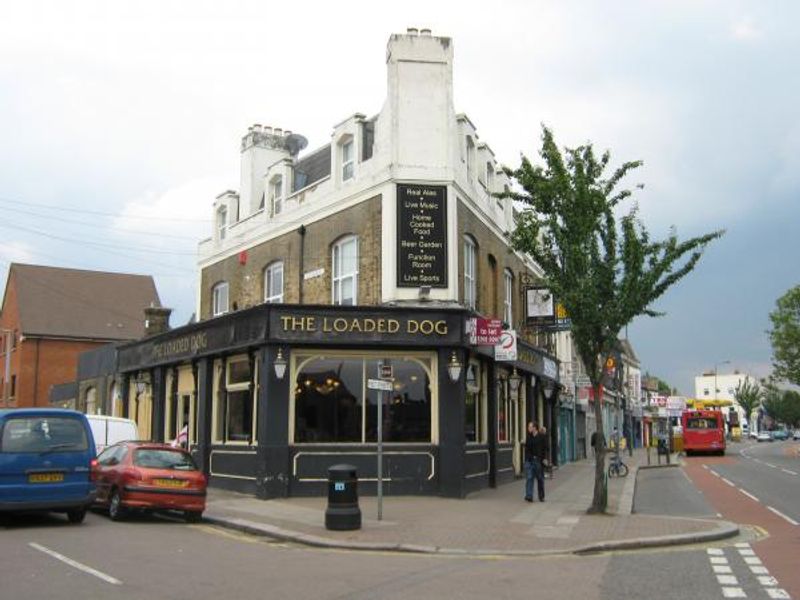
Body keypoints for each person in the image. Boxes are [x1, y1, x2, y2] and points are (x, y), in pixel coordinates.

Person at [524, 421, 547, 502]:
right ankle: (529, 496)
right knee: (529, 478)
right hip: (529, 460)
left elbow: (545, 448)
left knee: (540, 478)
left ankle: (541, 496)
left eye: (530, 427)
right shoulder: (528, 437)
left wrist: (544, 458)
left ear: (534, 428)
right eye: (528, 427)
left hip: (538, 460)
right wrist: (527, 459)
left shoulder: (541, 437)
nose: (528, 428)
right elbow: (526, 449)